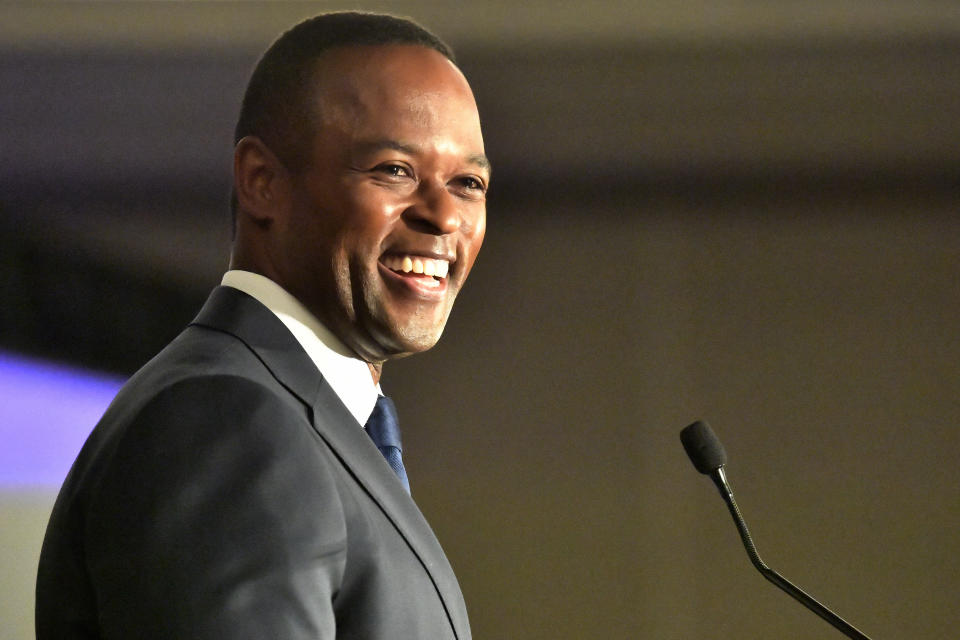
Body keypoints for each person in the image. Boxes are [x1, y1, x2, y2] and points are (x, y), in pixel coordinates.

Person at [35, 11, 489, 639]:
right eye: (393, 169)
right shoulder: (221, 418)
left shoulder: (297, 420)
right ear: (262, 182)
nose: (443, 215)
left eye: (468, 183)